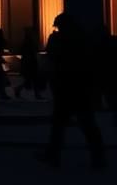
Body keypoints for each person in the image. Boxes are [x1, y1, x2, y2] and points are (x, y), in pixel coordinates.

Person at [42, 13, 105, 169]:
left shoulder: (61, 40)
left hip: (67, 87)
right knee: (87, 125)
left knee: (60, 125)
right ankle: (98, 157)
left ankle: (53, 155)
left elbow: (54, 58)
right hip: (79, 88)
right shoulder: (83, 39)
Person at [13, 26, 45, 100]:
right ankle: (36, 94)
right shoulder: (29, 42)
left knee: (31, 80)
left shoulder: (28, 42)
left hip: (29, 63)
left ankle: (18, 90)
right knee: (33, 80)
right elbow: (31, 52)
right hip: (30, 63)